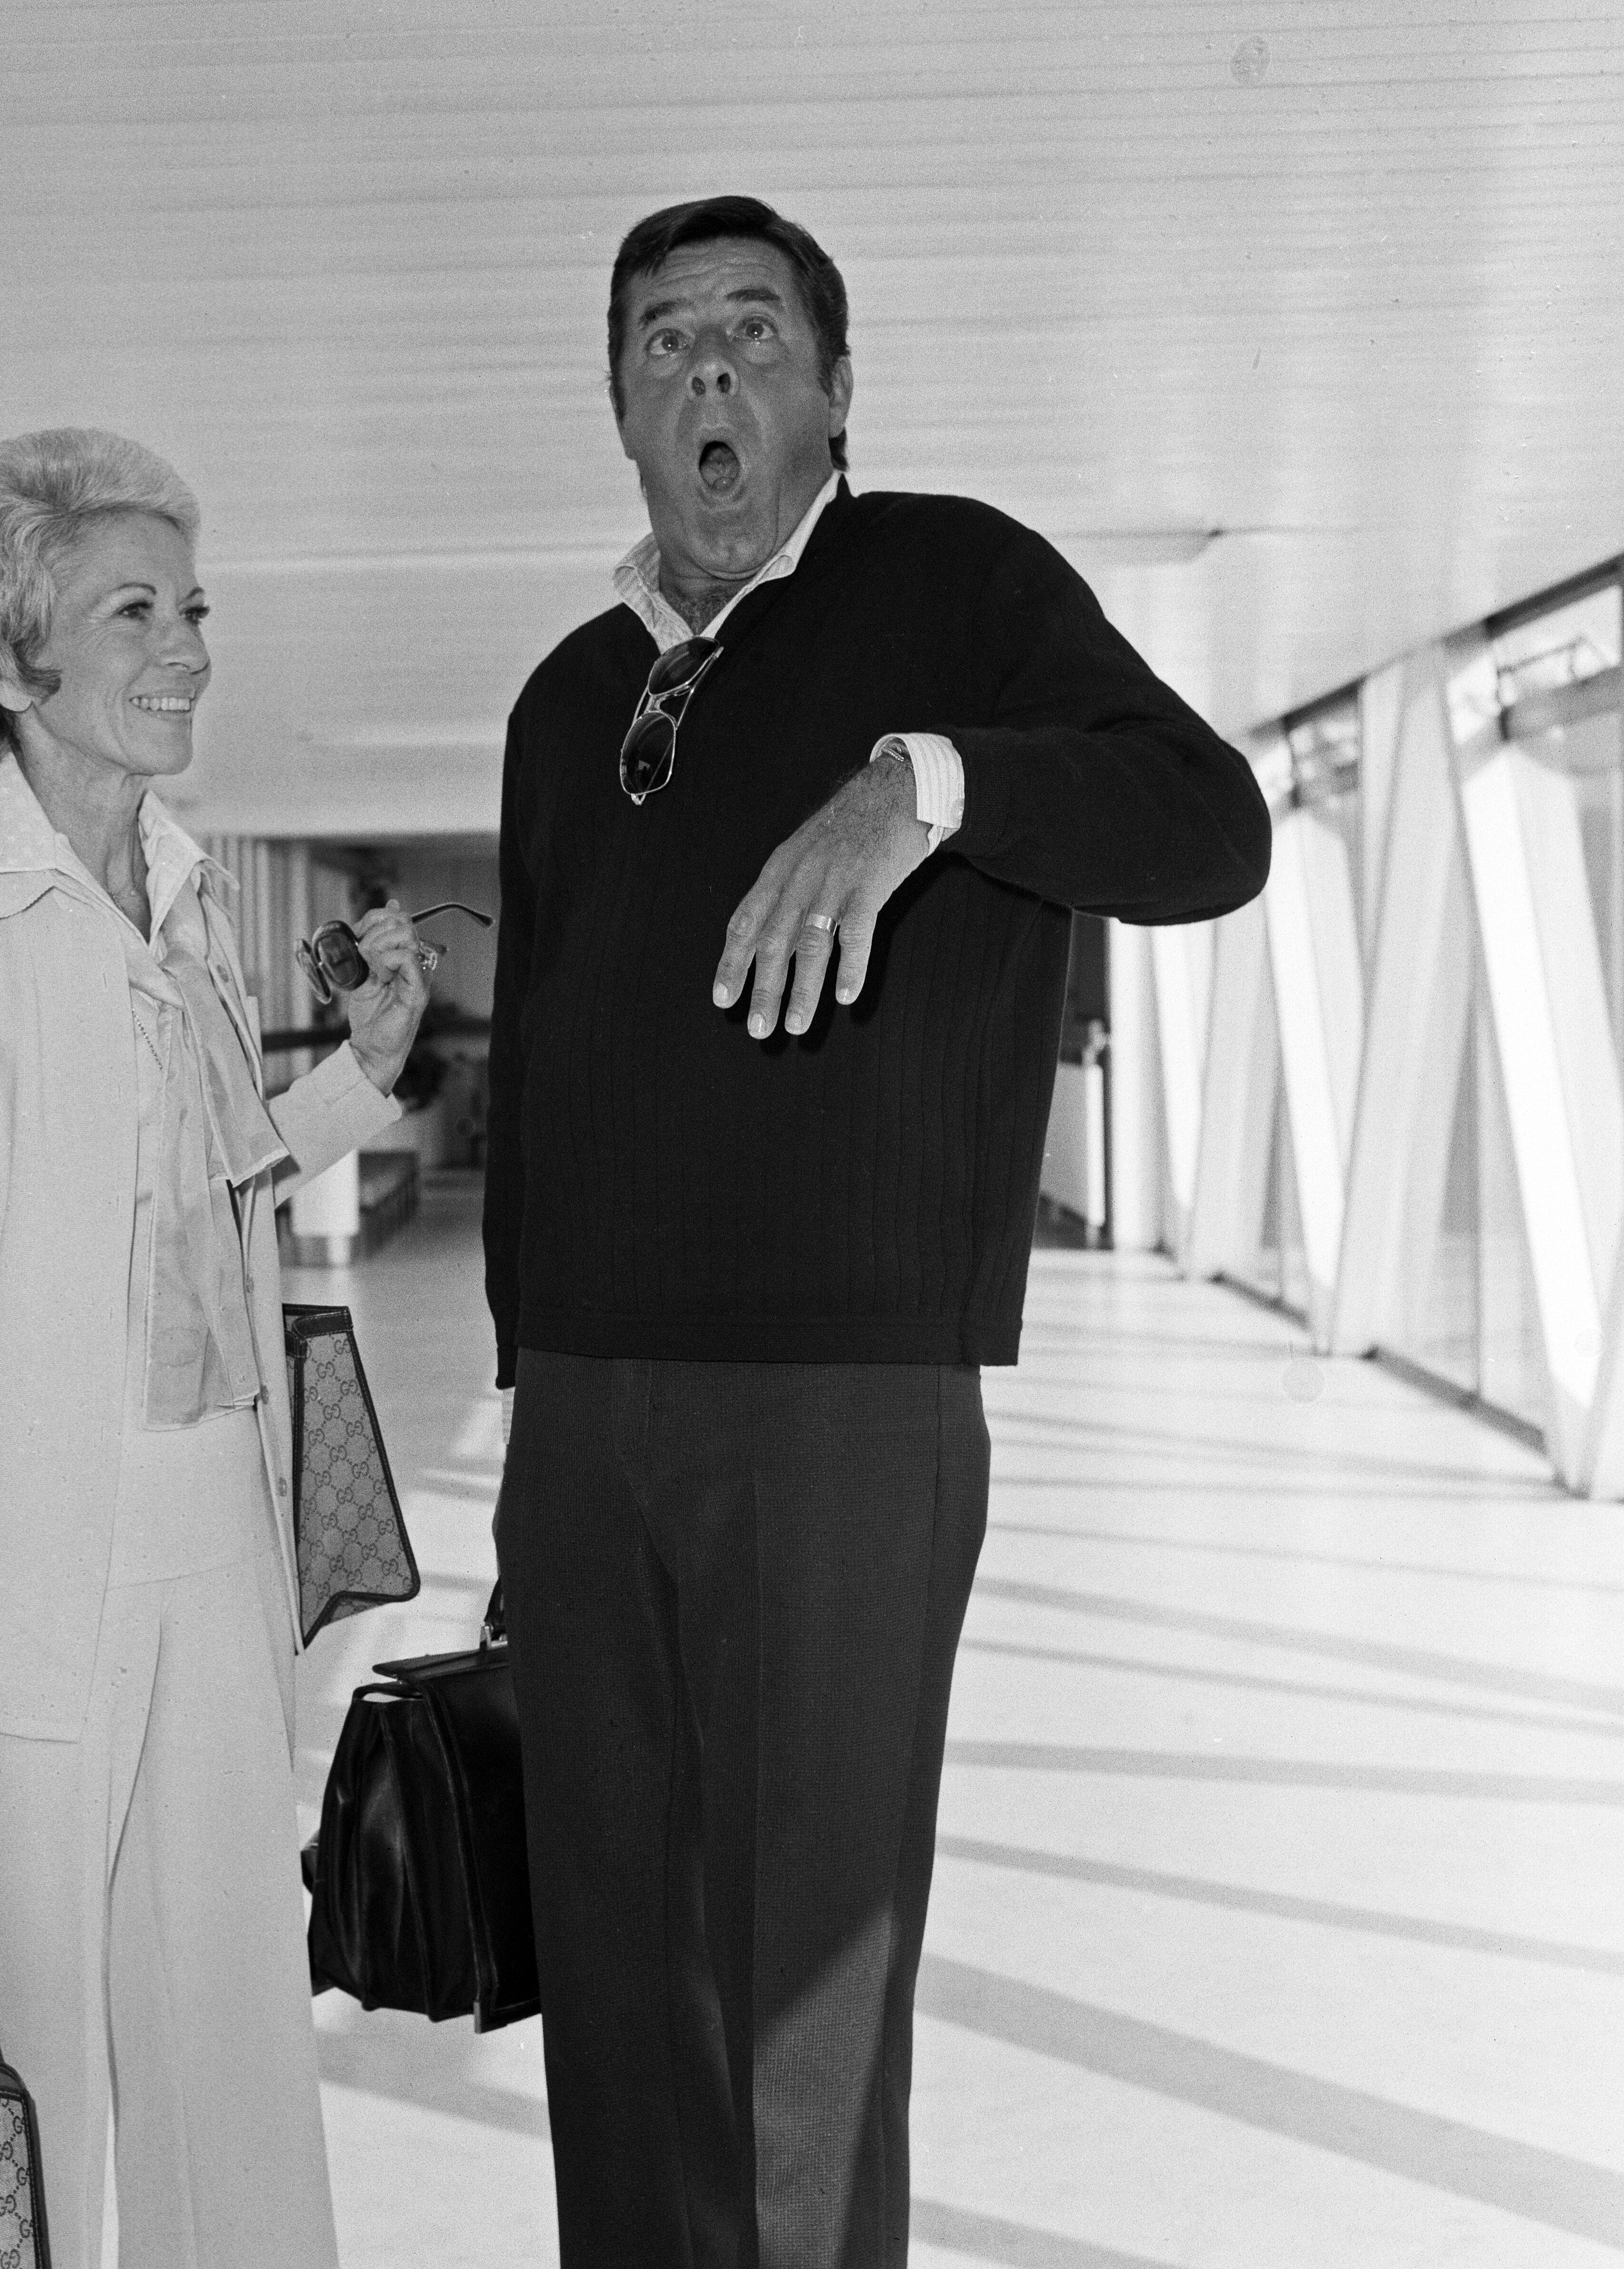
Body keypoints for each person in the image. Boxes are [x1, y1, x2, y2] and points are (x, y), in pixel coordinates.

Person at [484, 197, 1273, 2269]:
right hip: (576, 1418)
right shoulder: (567, 696)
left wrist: (923, 783)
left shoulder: (955, 583)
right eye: (660, 340)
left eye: (752, 330)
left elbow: (1208, 825)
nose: (707, 371)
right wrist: (519, 1423)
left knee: (802, 2000)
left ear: (836, 390)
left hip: (840, 1407)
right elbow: (569, 1026)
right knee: (618, 1993)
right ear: (619, 407)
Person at [0, 426, 430, 2269]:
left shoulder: (184, 906)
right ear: (13, 660)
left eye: (195, 605)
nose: (191, 648)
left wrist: (358, 1082)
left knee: (229, 2017)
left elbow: (206, 1185)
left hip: (211, 1534)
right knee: (23, 2061)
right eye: (135, 609)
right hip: (9, 1570)